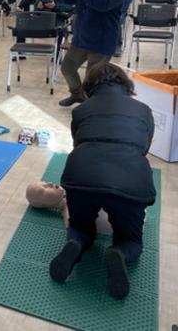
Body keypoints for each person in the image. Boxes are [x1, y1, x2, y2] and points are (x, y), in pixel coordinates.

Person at [49, 63, 155, 300]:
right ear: (126, 84)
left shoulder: (81, 110)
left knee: (80, 226)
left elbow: (78, 142)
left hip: (81, 177)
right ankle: (120, 252)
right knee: (130, 240)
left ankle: (76, 243)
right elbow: (144, 147)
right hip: (130, 183)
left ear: (89, 87)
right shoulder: (144, 110)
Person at [57, 0, 127, 107]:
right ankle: (77, 94)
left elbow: (102, 4)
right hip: (82, 37)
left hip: (101, 40)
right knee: (67, 68)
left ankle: (90, 106)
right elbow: (71, 0)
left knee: (92, 78)